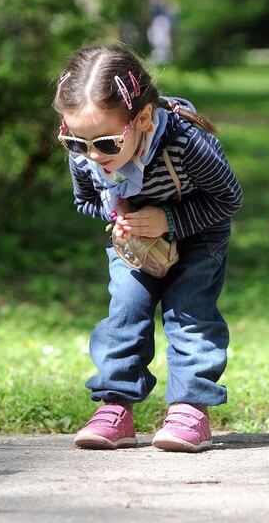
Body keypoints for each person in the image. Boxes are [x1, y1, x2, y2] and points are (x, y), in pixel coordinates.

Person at [53, 43, 242, 452]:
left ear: (140, 119)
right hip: (135, 242)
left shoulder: (186, 143)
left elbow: (228, 198)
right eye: (74, 142)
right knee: (124, 314)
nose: (90, 155)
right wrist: (118, 213)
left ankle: (191, 410)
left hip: (198, 236)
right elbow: (85, 199)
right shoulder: (87, 152)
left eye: (105, 143)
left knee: (190, 316)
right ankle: (115, 407)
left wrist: (170, 221)